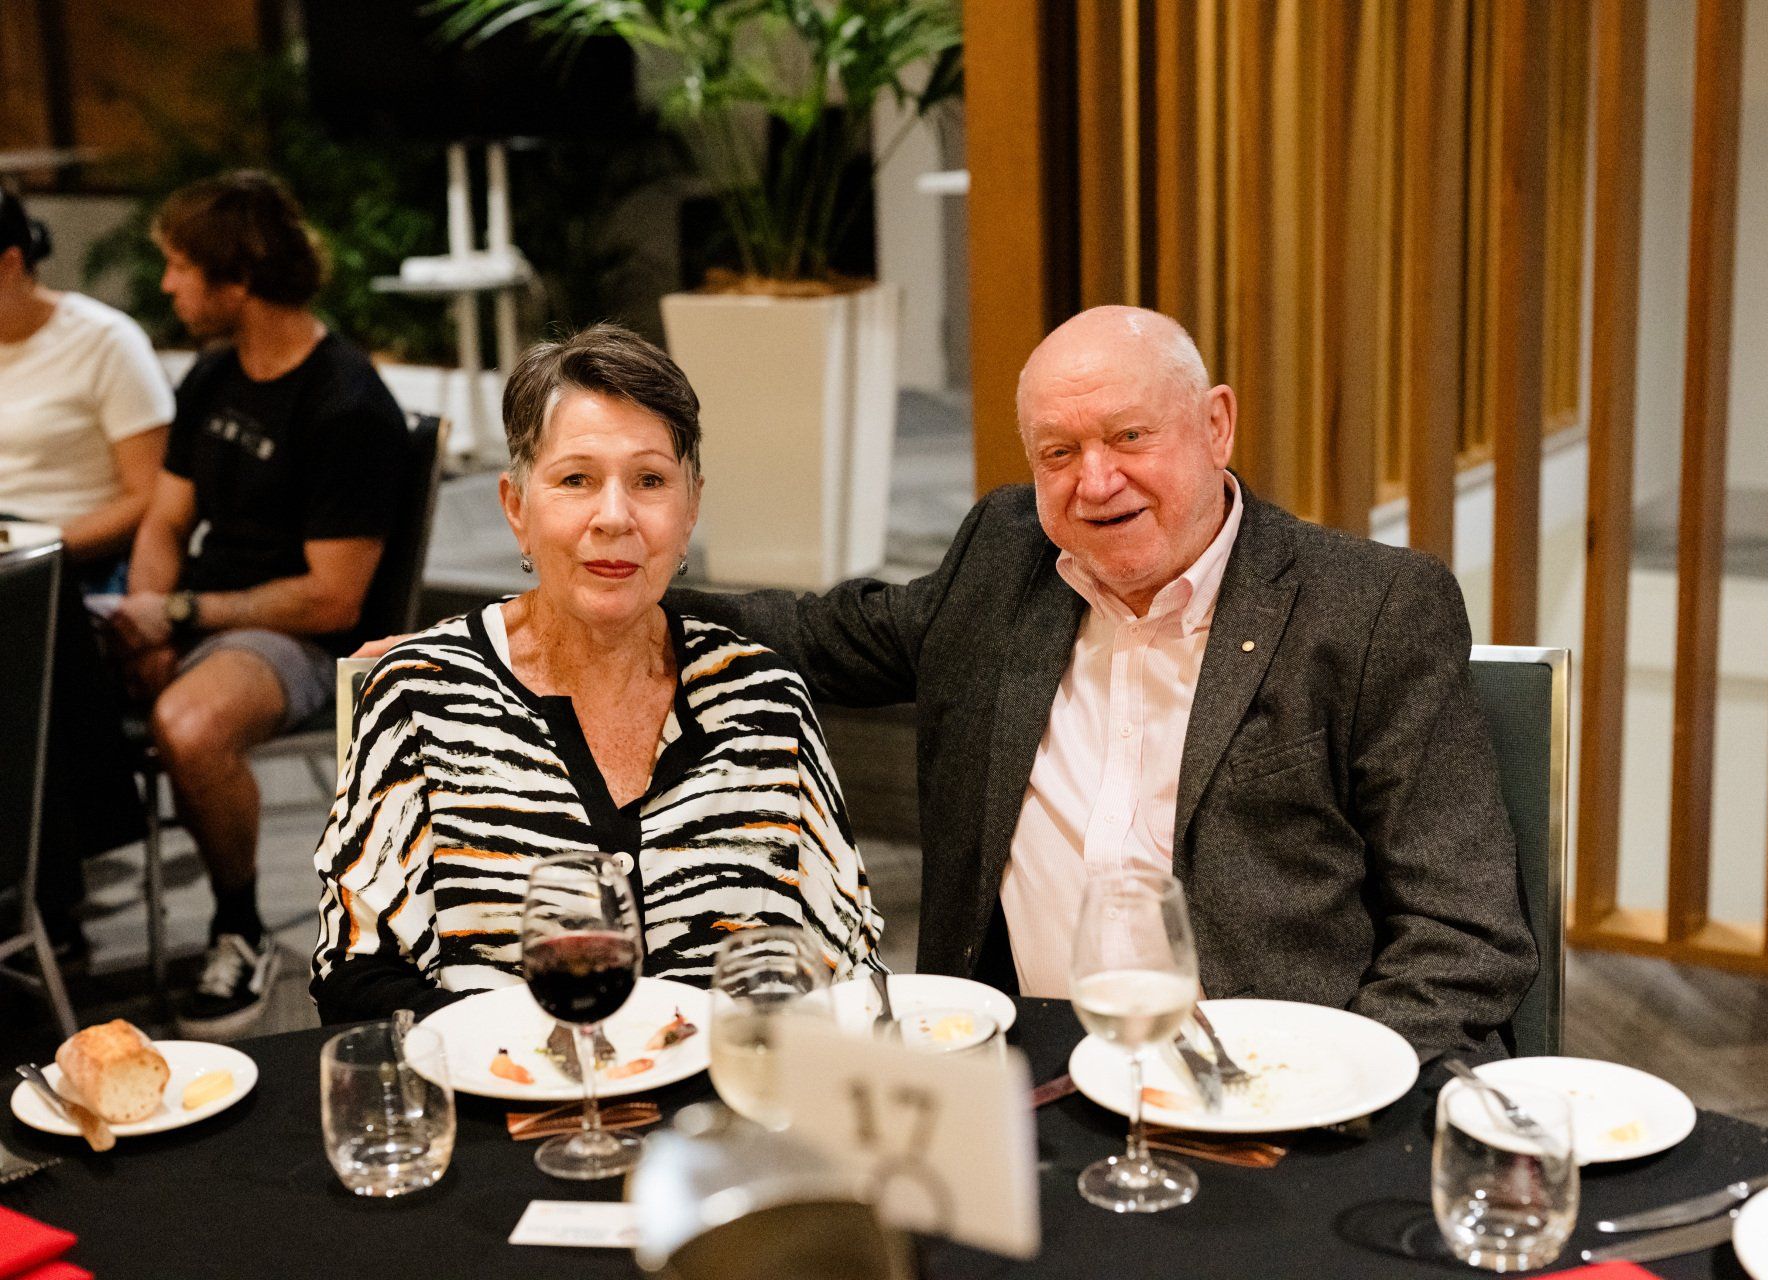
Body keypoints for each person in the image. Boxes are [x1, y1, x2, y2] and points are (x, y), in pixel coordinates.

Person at [671, 306, 1537, 1060]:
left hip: (1280, 1084)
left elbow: (1462, 937)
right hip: (1032, 1076)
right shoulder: (1006, 559)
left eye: (1129, 437)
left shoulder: (1370, 609)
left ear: (1216, 425)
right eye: (1059, 451)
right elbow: (824, 636)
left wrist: (1331, 1091)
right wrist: (625, 597)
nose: (1096, 482)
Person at [311, 325, 883, 1022]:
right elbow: (355, 977)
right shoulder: (421, 697)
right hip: (500, 1085)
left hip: (732, 1084)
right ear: (517, 507)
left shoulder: (763, 702)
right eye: (576, 479)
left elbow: (850, 971)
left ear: (691, 508)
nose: (614, 516)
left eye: (650, 481)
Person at [110, 171, 407, 1037]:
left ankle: (238, 929)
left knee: (191, 726)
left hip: (300, 638)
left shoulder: (346, 404)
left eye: (180, 266)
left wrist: (179, 618)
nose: (168, 285)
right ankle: (47, 916)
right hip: (204, 611)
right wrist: (147, 618)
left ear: (236, 279)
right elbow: (166, 519)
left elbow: (332, 598)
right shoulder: (212, 377)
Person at [0, 187, 172, 965]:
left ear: (12, 263)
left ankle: (42, 890)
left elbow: (150, 495)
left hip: (82, 560)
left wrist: (39, 540)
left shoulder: (102, 342)